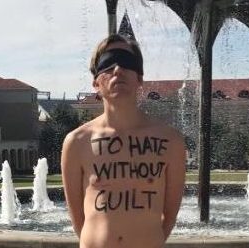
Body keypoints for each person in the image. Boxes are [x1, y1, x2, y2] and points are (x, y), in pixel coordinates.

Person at [61, 34, 186, 248]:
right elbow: (78, 219)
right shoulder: (77, 142)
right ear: (96, 82)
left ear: (139, 78)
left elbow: (170, 216)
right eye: (108, 64)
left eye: (127, 62)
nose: (117, 70)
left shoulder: (170, 142)